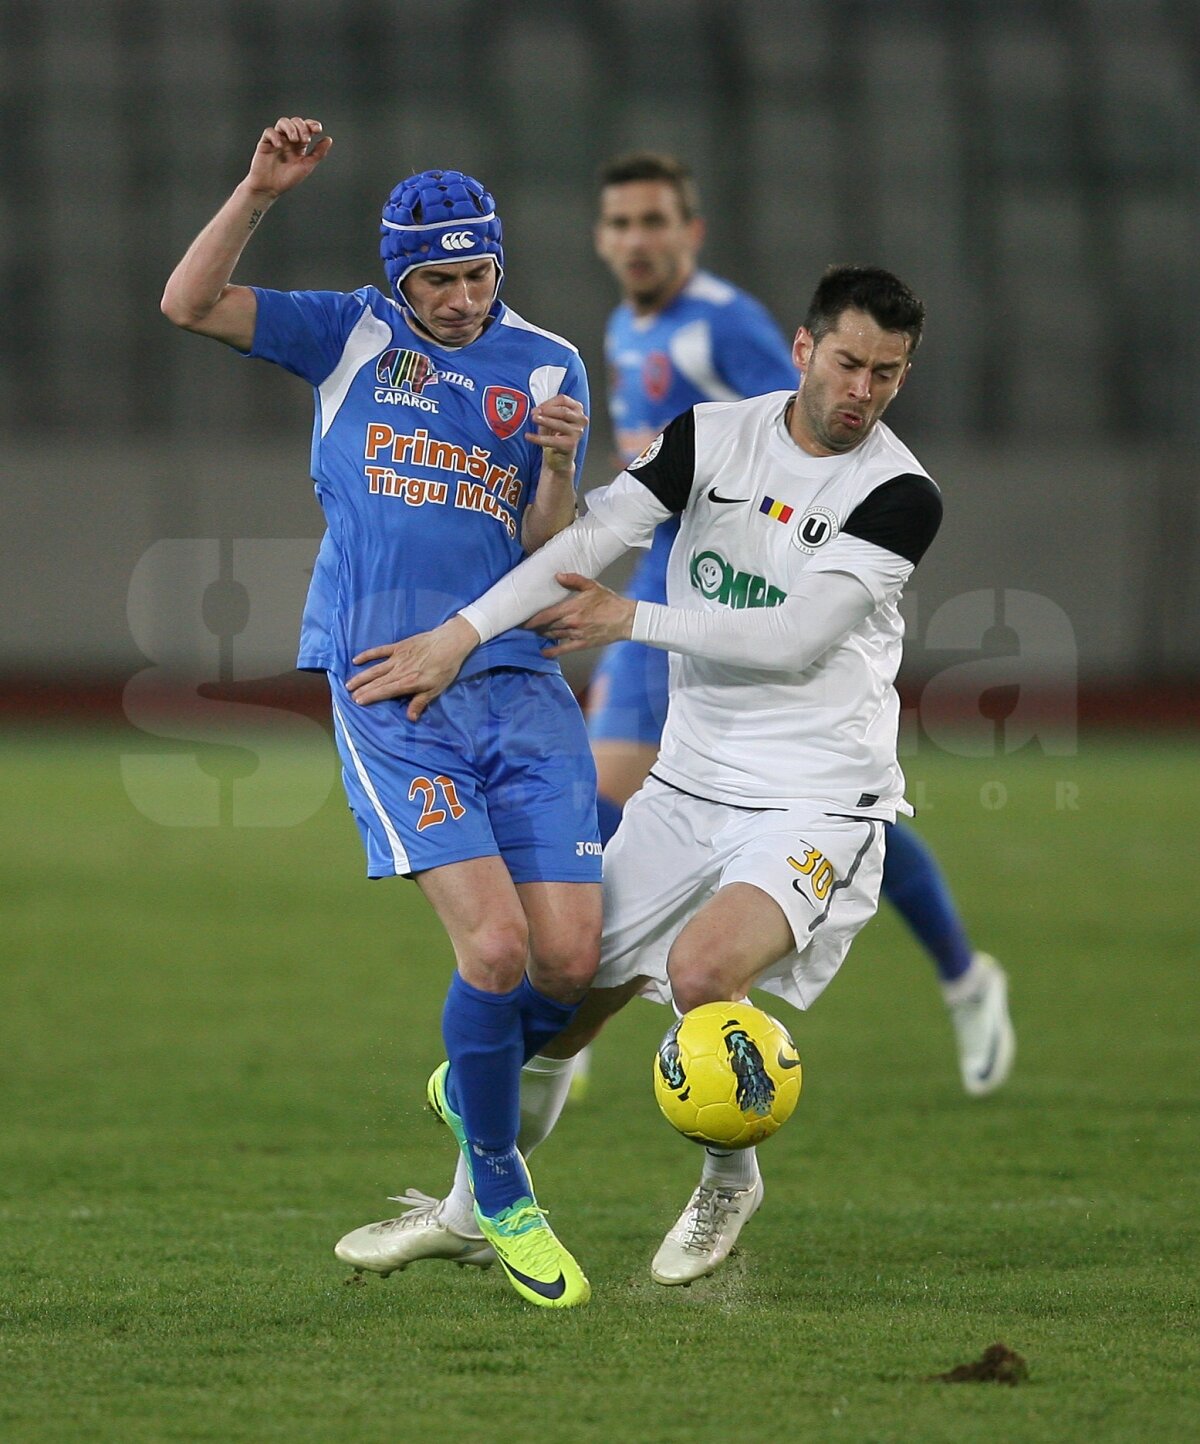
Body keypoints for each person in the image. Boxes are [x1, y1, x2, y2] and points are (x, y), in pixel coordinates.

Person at [347, 264, 976, 1287]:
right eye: (851, 362)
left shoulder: (900, 493)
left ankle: (732, 1175)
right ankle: (470, 1211)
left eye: (889, 373)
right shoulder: (712, 436)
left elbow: (792, 639)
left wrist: (623, 615)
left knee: (700, 974)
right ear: (806, 351)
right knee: (561, 1004)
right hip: (687, 786)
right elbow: (590, 540)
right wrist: (455, 638)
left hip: (819, 796)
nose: (864, 390)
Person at [160, 117, 603, 1309]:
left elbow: (546, 555)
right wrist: (255, 190)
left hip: (516, 682)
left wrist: (559, 469)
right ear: (397, 272)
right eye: (436, 278)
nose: (459, 299)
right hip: (387, 685)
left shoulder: (550, 362)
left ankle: (476, 1086)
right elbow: (188, 303)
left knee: (569, 956)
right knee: (498, 948)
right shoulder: (348, 331)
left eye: (477, 273)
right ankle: (499, 1191)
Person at [578, 153, 1013, 1101]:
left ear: (689, 233)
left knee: (827, 808)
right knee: (602, 803)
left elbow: (793, 446)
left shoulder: (727, 325)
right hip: (667, 594)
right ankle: (565, 1036)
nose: (637, 240)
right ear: (603, 237)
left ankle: (962, 975)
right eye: (621, 223)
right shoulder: (626, 324)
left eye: (656, 221)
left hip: (731, 605)